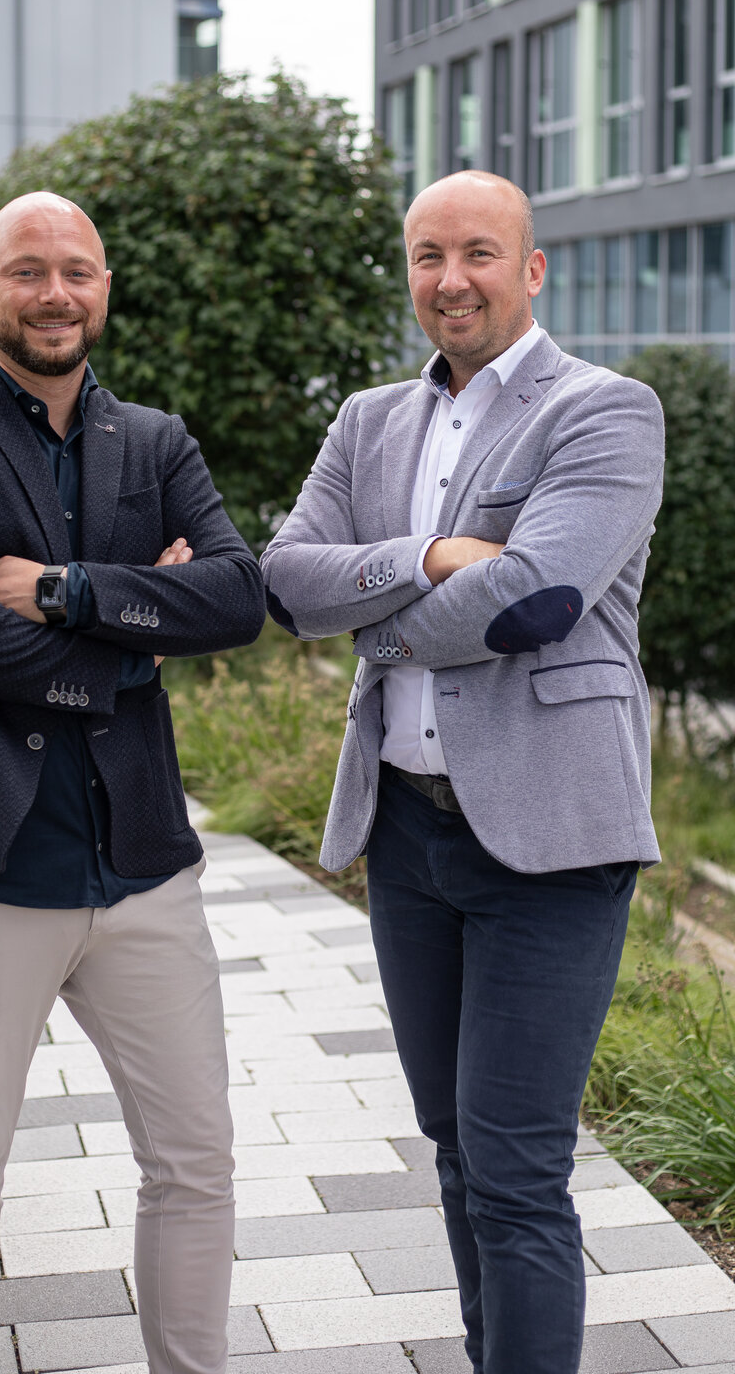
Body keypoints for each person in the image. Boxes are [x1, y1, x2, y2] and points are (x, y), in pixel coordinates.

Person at [0, 191, 264, 1374]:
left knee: (196, 1162)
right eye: (26, 270)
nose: (54, 293)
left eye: (76, 270)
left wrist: (63, 589)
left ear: (105, 288)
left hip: (142, 869)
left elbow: (237, 596)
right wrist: (134, 643)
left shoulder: (157, 441)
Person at [260, 170, 664, 1374]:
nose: (451, 280)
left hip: (552, 838)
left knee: (517, 1168)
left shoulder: (603, 410)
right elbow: (287, 579)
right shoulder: (368, 421)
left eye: (479, 253)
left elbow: (534, 600)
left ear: (532, 269)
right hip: (408, 837)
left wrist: (370, 621)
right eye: (428, 256)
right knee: (453, 1146)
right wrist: (434, 555)